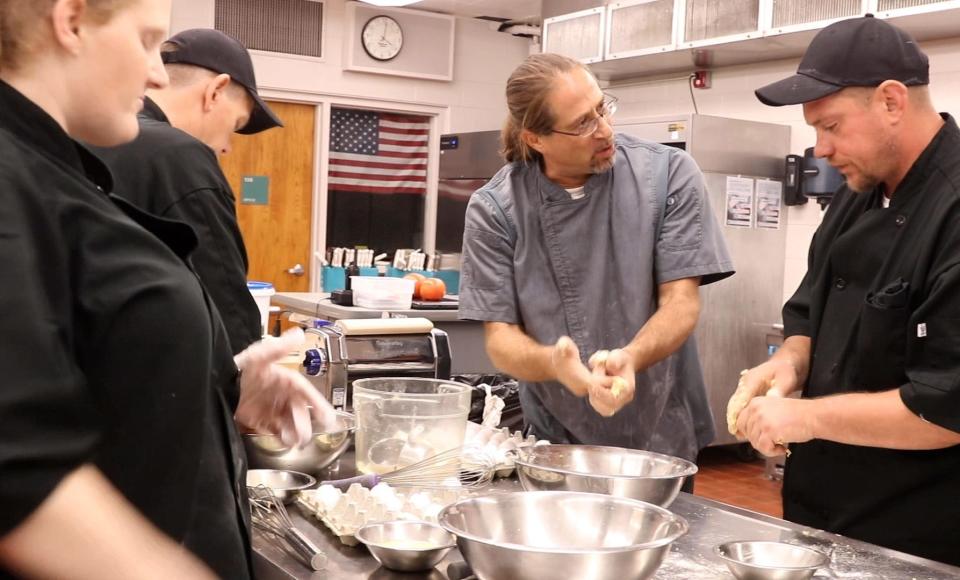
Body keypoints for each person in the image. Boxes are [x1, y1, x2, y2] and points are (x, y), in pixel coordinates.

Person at [0, 1, 332, 578]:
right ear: (71, 21)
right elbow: (18, 472)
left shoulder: (59, 171)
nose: (157, 74)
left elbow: (81, 369)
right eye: (149, 39)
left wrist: (219, 386)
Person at [733, 15, 960, 565]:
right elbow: (810, 313)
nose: (820, 150)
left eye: (830, 126)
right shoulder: (861, 191)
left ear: (890, 101)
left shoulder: (953, 211)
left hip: (916, 538)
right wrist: (787, 365)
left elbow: (946, 409)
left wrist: (806, 418)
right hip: (821, 513)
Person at [458, 53, 734, 467]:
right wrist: (552, 362)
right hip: (555, 437)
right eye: (583, 123)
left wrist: (632, 357)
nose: (605, 131)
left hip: (661, 433)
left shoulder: (668, 175)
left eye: (602, 108)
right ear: (535, 138)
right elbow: (501, 340)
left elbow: (681, 302)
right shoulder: (497, 209)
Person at [91, 28, 281, 355]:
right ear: (216, 91)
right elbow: (227, 312)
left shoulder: (86, 133)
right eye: (234, 126)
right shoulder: (180, 157)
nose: (227, 148)